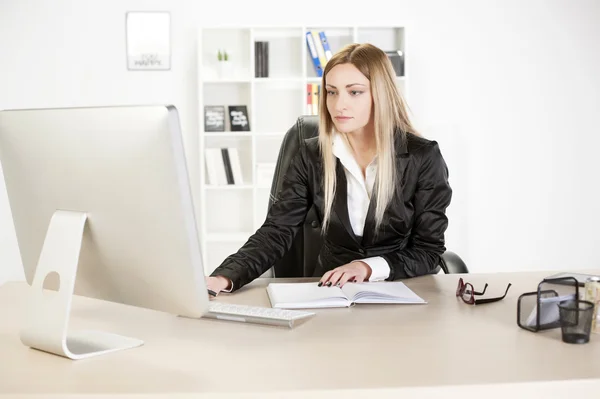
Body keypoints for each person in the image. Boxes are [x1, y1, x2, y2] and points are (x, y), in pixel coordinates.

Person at [207, 42, 452, 296]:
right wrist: (224, 277)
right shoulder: (312, 155)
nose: (338, 105)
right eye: (332, 92)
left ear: (381, 94)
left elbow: (428, 250)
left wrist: (367, 268)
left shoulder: (422, 157)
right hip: (330, 293)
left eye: (354, 92)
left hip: (403, 289)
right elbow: (276, 231)